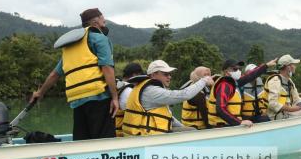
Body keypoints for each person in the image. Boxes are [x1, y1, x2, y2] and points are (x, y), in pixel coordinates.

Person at [30, 8, 118, 140]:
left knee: (82, 140)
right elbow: (107, 68)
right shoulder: (99, 38)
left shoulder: (70, 47)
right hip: (98, 97)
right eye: (102, 18)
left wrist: (40, 93)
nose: (104, 21)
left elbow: (55, 74)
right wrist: (115, 97)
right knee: (104, 140)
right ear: (95, 22)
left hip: (76, 100)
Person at [122, 60, 214, 136]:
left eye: (169, 74)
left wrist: (182, 126)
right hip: (146, 137)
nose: (169, 77)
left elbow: (169, 118)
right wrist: (204, 80)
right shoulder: (151, 91)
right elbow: (183, 95)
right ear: (153, 75)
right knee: (192, 132)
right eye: (165, 74)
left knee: (190, 130)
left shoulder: (148, 88)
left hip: (149, 133)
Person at [208, 58, 277, 127]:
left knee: (264, 119)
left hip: (230, 124)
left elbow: (250, 76)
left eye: (239, 69)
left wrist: (266, 65)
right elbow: (220, 108)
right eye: (235, 69)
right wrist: (239, 122)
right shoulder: (224, 85)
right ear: (226, 72)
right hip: (223, 126)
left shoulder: (233, 82)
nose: (238, 71)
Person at [262, 54, 301, 120]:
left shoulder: (289, 81)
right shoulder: (275, 81)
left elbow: (297, 100)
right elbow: (272, 103)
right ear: (288, 67)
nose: (295, 67)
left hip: (286, 114)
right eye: (293, 64)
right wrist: (291, 109)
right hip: (276, 117)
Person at [115, 63, 146, 137]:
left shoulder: (118, 87)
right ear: (135, 75)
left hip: (115, 133)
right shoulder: (128, 91)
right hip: (123, 136)